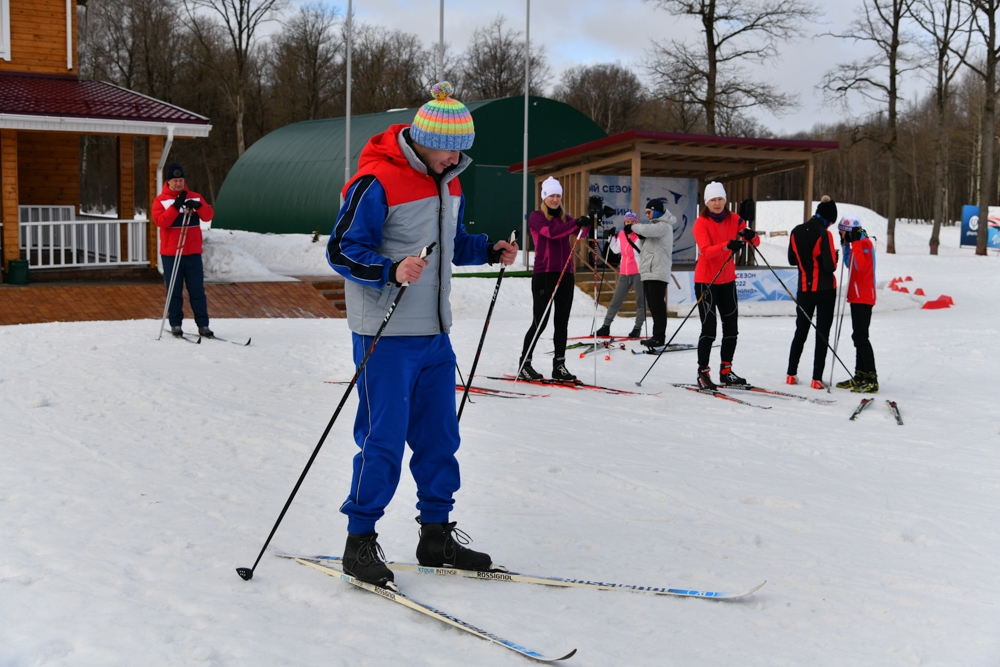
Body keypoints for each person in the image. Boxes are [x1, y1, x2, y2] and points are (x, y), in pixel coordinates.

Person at [325, 82, 518, 590]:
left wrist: (487, 249)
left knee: (440, 438)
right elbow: (341, 250)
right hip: (384, 334)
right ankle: (359, 541)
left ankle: (435, 534)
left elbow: (448, 244)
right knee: (383, 439)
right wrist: (390, 269)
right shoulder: (375, 180)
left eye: (461, 148)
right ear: (424, 138)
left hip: (435, 332)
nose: (457, 156)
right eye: (449, 147)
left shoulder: (448, 180)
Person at [518, 176, 591, 382]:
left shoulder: (566, 218)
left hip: (565, 274)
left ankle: (559, 365)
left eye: (558, 195)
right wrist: (575, 223)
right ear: (544, 196)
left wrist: (586, 222)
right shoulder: (536, 216)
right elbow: (550, 233)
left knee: (562, 322)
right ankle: (525, 363)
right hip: (545, 274)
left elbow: (581, 234)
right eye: (552, 195)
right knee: (540, 321)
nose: (555, 199)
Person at [692, 181, 759, 389]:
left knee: (731, 329)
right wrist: (727, 245)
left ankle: (726, 371)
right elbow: (705, 250)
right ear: (707, 202)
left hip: (728, 281)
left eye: (720, 199)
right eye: (713, 200)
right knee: (709, 330)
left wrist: (750, 235)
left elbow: (755, 242)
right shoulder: (701, 223)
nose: (717, 203)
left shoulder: (734, 219)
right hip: (706, 282)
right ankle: (703, 371)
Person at [152, 163, 215, 338]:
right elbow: (161, 221)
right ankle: (176, 324)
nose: (179, 184)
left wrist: (199, 206)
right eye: (175, 180)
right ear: (169, 181)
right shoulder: (161, 200)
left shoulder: (194, 196)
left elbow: (209, 215)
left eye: (181, 180)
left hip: (193, 253)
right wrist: (175, 206)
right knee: (174, 290)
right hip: (172, 254)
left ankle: (203, 325)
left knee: (197, 290)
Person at [786, 195, 839, 390]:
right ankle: (816, 378)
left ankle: (791, 374)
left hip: (804, 290)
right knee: (822, 333)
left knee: (801, 330)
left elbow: (792, 260)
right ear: (828, 218)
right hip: (824, 290)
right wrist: (837, 258)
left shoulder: (796, 231)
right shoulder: (824, 234)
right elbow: (829, 265)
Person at [834, 216, 879, 393]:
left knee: (861, 337)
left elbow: (861, 265)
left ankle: (871, 377)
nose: (841, 235)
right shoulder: (856, 244)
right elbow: (849, 264)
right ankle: (860, 374)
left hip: (864, 296)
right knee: (857, 336)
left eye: (842, 232)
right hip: (856, 295)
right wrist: (846, 247)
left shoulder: (865, 244)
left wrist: (855, 244)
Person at [631, 200, 676, 349]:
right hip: (650, 271)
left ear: (656, 211)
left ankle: (659, 337)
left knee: (657, 305)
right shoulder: (655, 227)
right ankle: (656, 335)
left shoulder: (663, 226)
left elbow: (646, 230)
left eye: (649, 212)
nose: (647, 215)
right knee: (653, 305)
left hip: (658, 270)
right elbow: (644, 245)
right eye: (646, 213)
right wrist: (641, 239)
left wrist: (631, 226)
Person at [595, 212, 645, 339]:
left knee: (640, 301)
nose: (629, 224)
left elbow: (644, 250)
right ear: (624, 223)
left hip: (639, 271)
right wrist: (610, 238)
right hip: (624, 272)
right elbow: (616, 249)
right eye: (627, 222)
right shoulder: (622, 234)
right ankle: (606, 326)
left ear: (636, 223)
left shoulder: (639, 235)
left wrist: (642, 236)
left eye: (632, 222)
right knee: (616, 300)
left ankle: (637, 327)